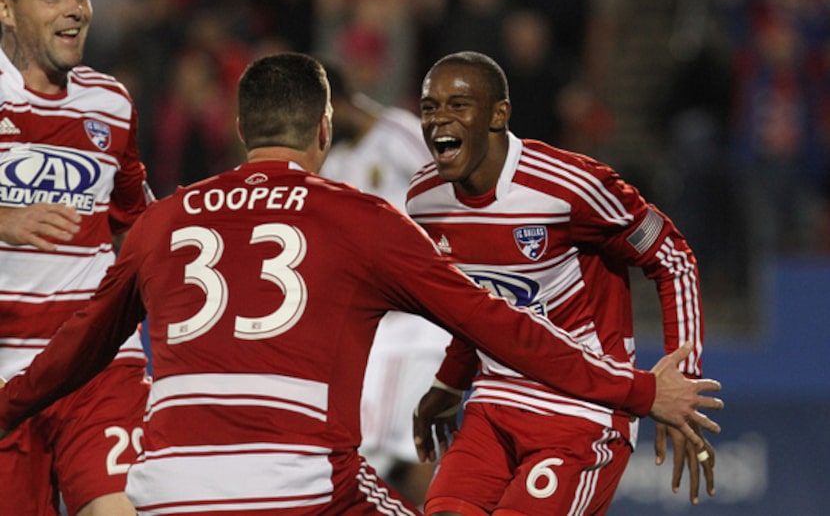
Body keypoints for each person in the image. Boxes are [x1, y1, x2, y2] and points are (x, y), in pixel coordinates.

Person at [0, 52, 723, 515]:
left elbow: (77, 347)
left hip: (165, 491)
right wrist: (638, 389)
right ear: (324, 130)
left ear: (239, 128)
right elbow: (496, 323)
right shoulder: (361, 219)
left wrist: (5, 410)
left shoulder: (163, 222)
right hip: (301, 484)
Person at [408, 51, 717, 516]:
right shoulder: (424, 201)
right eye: (430, 107)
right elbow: (481, 306)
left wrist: (682, 381)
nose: (439, 120)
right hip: (493, 403)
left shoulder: (569, 186)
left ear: (498, 114)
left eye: (458, 105)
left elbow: (673, 259)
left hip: (583, 409)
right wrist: (451, 384)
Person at [0, 0, 153, 515]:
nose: (75, 9)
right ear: (7, 10)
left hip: (97, 363)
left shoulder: (111, 103)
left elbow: (132, 221)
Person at [319, 60, 452, 506]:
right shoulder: (334, 162)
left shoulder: (399, 133)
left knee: (403, 450)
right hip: (373, 332)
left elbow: (454, 196)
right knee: (383, 453)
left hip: (419, 326)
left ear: (334, 105)